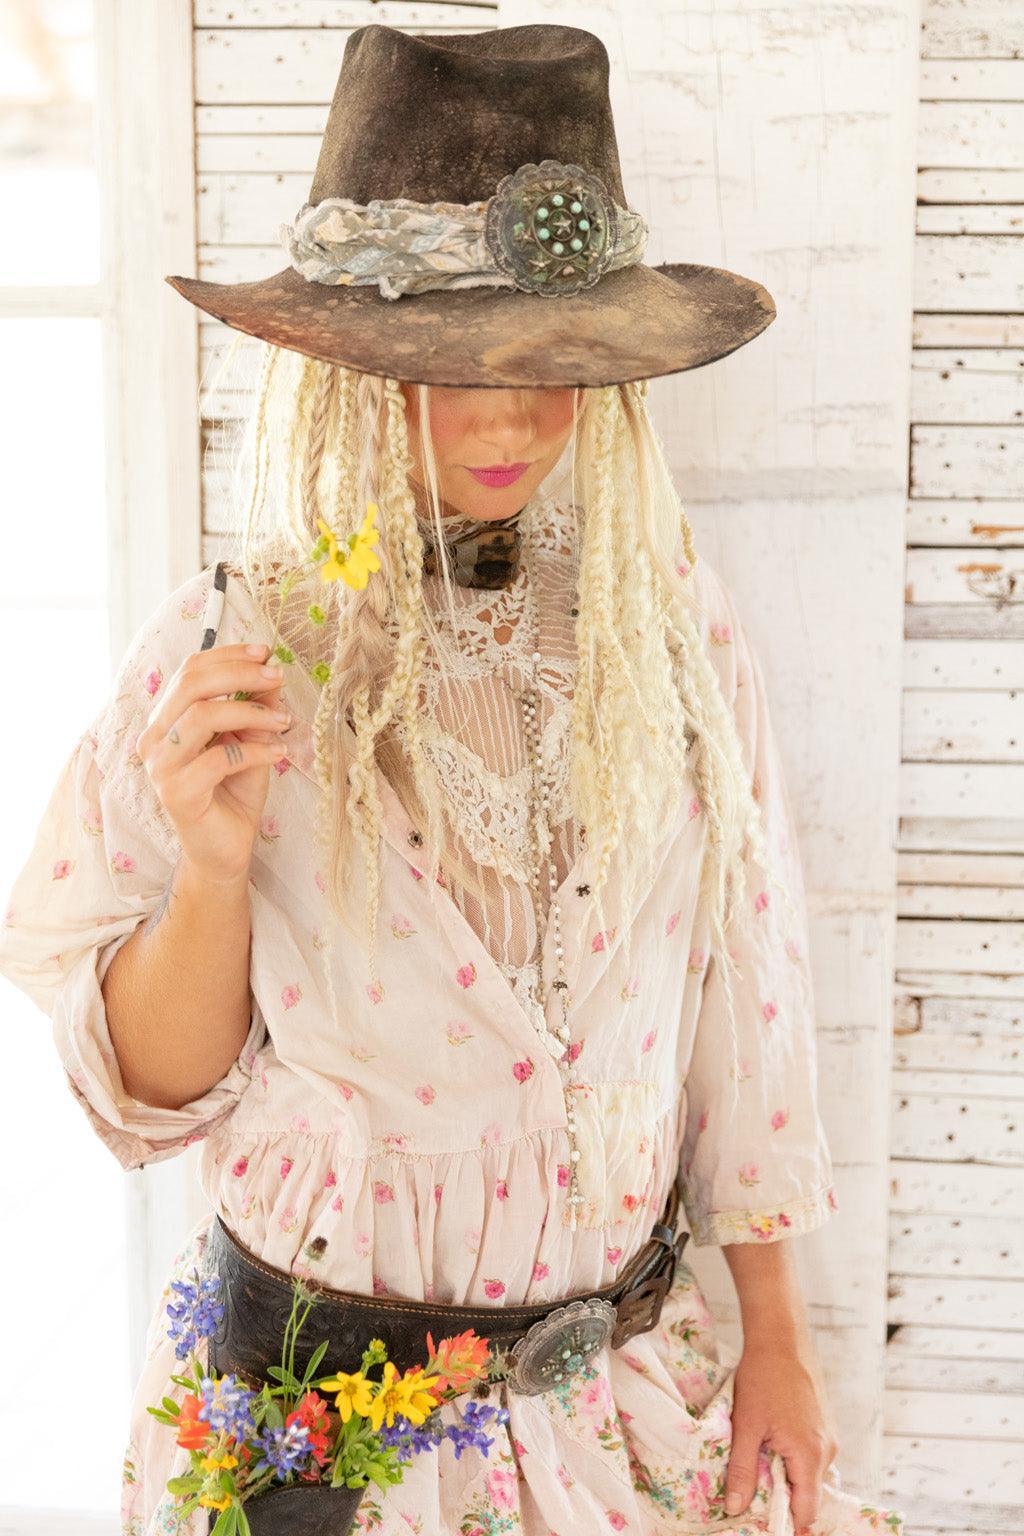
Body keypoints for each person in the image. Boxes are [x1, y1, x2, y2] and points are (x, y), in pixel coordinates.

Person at [0, 21, 904, 1536]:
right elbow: (149, 1097)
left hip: (621, 1402)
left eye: (553, 364)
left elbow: (746, 980)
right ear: (355, 367)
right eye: (448, 366)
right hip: (325, 1456)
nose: (507, 418)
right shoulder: (240, 657)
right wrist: (213, 865)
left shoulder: (661, 626)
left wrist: (784, 1341)